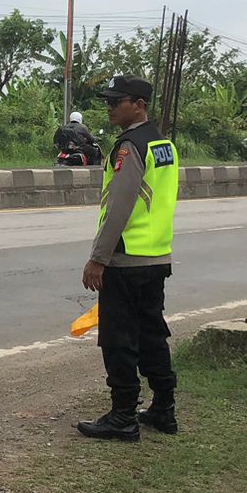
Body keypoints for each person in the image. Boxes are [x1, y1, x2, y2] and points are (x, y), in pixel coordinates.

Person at [78, 75, 179, 442]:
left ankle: (123, 415)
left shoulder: (129, 147)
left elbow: (119, 207)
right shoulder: (163, 144)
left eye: (116, 101)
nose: (109, 108)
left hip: (126, 258)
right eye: (108, 101)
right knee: (152, 334)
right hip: (156, 256)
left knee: (118, 338)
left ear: (138, 105)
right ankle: (164, 408)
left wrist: (98, 258)